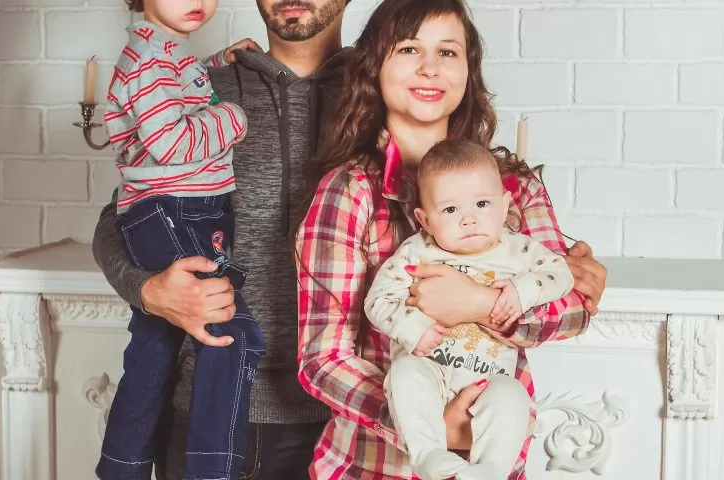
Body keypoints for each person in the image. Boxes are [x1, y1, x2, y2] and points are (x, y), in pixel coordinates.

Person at [293, 0, 609, 478]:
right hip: (374, 466)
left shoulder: (513, 187)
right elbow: (323, 358)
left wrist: (480, 304)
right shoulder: (350, 191)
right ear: (376, 67)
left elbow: (571, 310)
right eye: (408, 49)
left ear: (468, 69)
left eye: (448, 52)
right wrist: (422, 423)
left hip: (493, 450)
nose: (430, 68)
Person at [90, 0, 355, 477]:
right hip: (206, 416)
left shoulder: (386, 89)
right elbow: (120, 217)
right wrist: (148, 291)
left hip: (351, 416)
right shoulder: (200, 87)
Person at [94, 0, 265, 476]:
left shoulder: (165, 54)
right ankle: (212, 469)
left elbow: (177, 95)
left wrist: (217, 65)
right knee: (231, 333)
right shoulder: (150, 61)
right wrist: (232, 117)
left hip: (174, 211)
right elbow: (169, 142)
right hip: (173, 211)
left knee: (153, 349)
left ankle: (121, 466)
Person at [365, 138, 576, 480]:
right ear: (426, 219)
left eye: (482, 203)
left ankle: (490, 469)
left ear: (505, 205)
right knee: (404, 376)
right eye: (450, 210)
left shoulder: (518, 250)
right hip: (430, 370)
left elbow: (561, 274)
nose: (469, 219)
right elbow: (377, 300)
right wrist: (413, 328)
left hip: (488, 379)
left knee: (513, 397)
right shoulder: (416, 253)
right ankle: (428, 454)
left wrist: (521, 291)